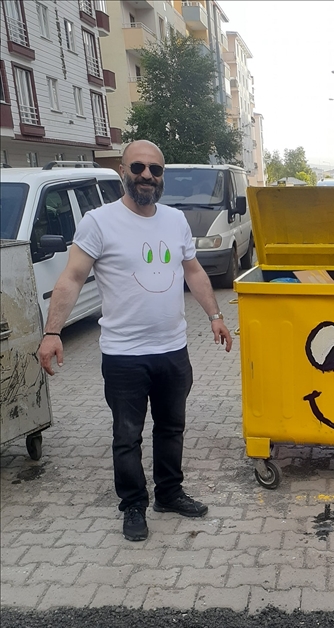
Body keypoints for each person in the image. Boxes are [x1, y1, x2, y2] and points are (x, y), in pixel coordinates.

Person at [38, 140, 233, 542]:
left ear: (162, 177)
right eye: (139, 168)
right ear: (124, 171)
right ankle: (133, 505)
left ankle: (169, 494)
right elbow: (72, 278)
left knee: (171, 427)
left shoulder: (175, 221)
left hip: (173, 348)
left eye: (155, 170)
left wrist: (215, 316)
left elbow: (193, 271)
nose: (147, 176)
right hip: (124, 354)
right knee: (127, 436)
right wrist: (53, 331)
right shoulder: (98, 222)